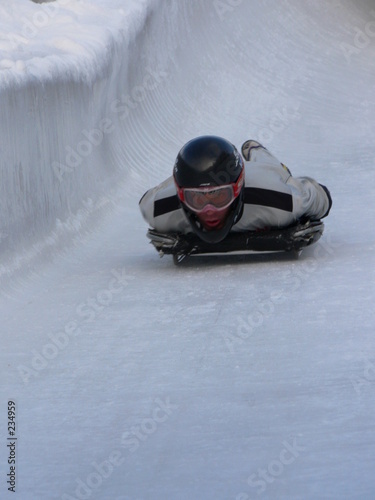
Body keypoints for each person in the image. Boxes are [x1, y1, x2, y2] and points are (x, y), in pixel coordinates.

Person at [139, 136, 332, 245]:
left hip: (262, 176)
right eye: (197, 199)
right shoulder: (158, 210)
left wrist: (321, 202)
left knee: (269, 166)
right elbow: (149, 199)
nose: (209, 210)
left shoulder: (281, 201)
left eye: (220, 195)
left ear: (238, 188)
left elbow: (318, 196)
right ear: (180, 195)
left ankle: (256, 150)